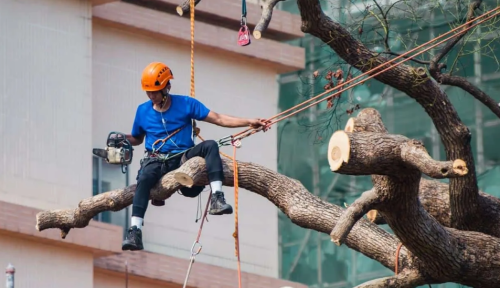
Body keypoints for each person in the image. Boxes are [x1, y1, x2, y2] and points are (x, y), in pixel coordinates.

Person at [120, 62, 268, 251]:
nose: (151, 96)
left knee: (210, 145)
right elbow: (137, 138)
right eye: (148, 92)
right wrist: (122, 138)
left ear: (167, 87)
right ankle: (135, 231)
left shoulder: (186, 104)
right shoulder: (143, 111)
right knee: (144, 177)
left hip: (183, 157)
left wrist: (249, 122)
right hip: (156, 159)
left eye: (155, 91)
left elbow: (219, 118)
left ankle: (217, 198)